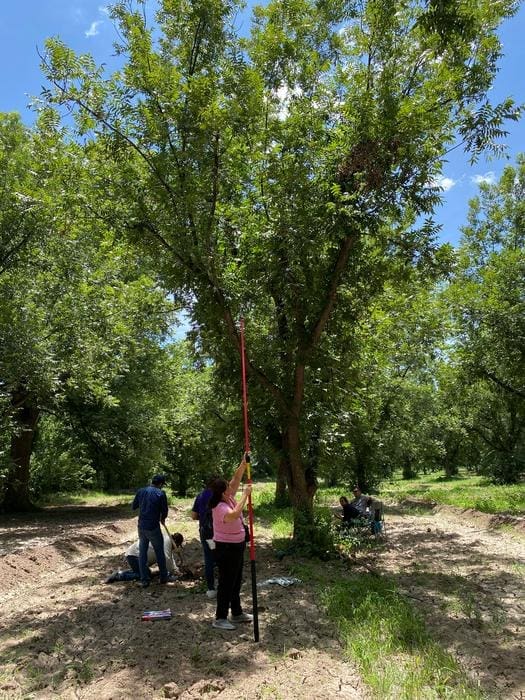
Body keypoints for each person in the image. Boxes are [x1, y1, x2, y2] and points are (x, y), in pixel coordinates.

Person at [209, 455, 253, 630]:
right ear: (222, 492)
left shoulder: (228, 497)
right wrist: (245, 495)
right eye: (227, 486)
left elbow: (236, 479)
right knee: (227, 582)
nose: (230, 485)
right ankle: (220, 617)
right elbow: (234, 514)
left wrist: (243, 463)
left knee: (236, 580)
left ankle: (236, 612)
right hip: (226, 548)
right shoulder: (220, 507)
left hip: (237, 546)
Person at [132, 473, 175, 587]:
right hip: (153, 527)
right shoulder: (161, 493)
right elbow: (164, 511)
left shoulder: (141, 491)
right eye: (162, 485)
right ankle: (163, 578)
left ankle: (144, 580)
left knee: (142, 553)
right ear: (160, 484)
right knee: (159, 551)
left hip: (141, 526)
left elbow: (134, 506)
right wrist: (163, 519)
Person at [106, 532, 183, 583]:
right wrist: (172, 573)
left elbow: (170, 557)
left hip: (133, 555)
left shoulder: (166, 540)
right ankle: (119, 576)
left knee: (144, 573)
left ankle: (121, 573)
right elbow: (167, 558)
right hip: (134, 556)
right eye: (178, 545)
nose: (177, 548)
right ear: (175, 542)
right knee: (145, 575)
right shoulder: (167, 541)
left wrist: (175, 569)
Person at [191, 478, 217, 598]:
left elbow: (194, 516)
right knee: (219, 554)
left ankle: (211, 588)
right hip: (218, 532)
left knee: (208, 557)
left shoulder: (200, 496)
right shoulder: (219, 495)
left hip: (205, 531)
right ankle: (224, 584)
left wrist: (202, 517)